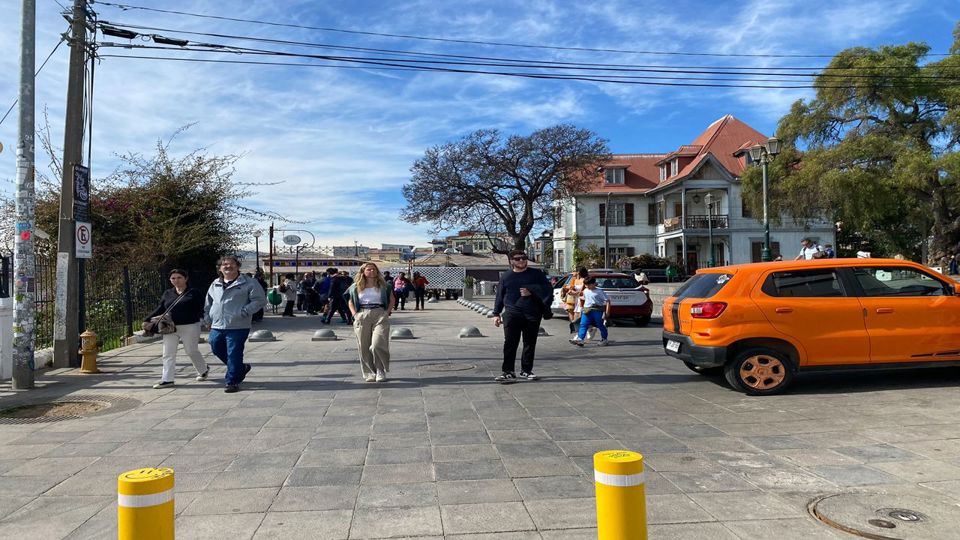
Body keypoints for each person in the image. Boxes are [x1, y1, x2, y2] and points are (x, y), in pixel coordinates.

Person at [204, 255, 267, 393]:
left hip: (238, 325)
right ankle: (240, 368)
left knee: (234, 353)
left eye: (232, 264)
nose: (228, 266)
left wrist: (244, 311)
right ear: (220, 268)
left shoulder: (249, 282)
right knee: (215, 346)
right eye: (224, 264)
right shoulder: (215, 283)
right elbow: (208, 302)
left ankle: (232, 381)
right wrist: (208, 318)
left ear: (238, 266)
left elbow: (260, 300)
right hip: (217, 324)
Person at [492, 249, 553, 383]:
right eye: (518, 258)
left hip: (532, 313)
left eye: (524, 258)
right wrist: (496, 313)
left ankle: (526, 370)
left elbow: (548, 290)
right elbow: (500, 295)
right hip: (512, 313)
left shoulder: (536, 274)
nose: (521, 260)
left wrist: (531, 292)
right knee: (510, 343)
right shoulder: (506, 276)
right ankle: (508, 371)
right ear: (511, 261)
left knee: (529, 343)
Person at [145, 269, 208, 388]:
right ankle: (167, 379)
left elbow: (202, 308)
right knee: (168, 353)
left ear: (186, 279)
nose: (176, 280)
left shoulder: (194, 293)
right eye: (173, 278)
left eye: (179, 277)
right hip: (170, 326)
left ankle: (203, 369)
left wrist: (206, 321)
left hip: (190, 326)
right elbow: (160, 308)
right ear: (170, 280)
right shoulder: (168, 293)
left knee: (191, 351)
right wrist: (147, 319)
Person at [347, 263, 395, 382]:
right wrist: (355, 315)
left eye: (374, 269)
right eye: (369, 269)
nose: (372, 271)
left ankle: (380, 370)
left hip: (379, 313)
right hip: (362, 314)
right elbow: (350, 301)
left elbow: (392, 299)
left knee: (378, 344)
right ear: (363, 271)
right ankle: (369, 373)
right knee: (363, 346)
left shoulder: (384, 285)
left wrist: (387, 312)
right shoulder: (355, 286)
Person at [569, 277, 611, 347]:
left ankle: (604, 339)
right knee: (583, 324)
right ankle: (580, 339)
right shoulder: (585, 290)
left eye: (589, 284)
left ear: (594, 283)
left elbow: (607, 301)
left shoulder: (599, 291)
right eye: (586, 285)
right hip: (586, 310)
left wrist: (607, 312)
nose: (587, 286)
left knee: (600, 325)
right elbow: (586, 298)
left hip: (597, 310)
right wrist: (575, 295)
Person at [561, 267, 589, 337]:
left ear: (579, 272)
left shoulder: (585, 280)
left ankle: (581, 334)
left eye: (575, 271)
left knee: (580, 318)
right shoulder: (575, 280)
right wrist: (569, 290)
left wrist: (574, 293)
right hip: (576, 301)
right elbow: (571, 288)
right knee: (577, 318)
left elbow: (583, 292)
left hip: (582, 301)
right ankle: (583, 332)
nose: (574, 272)